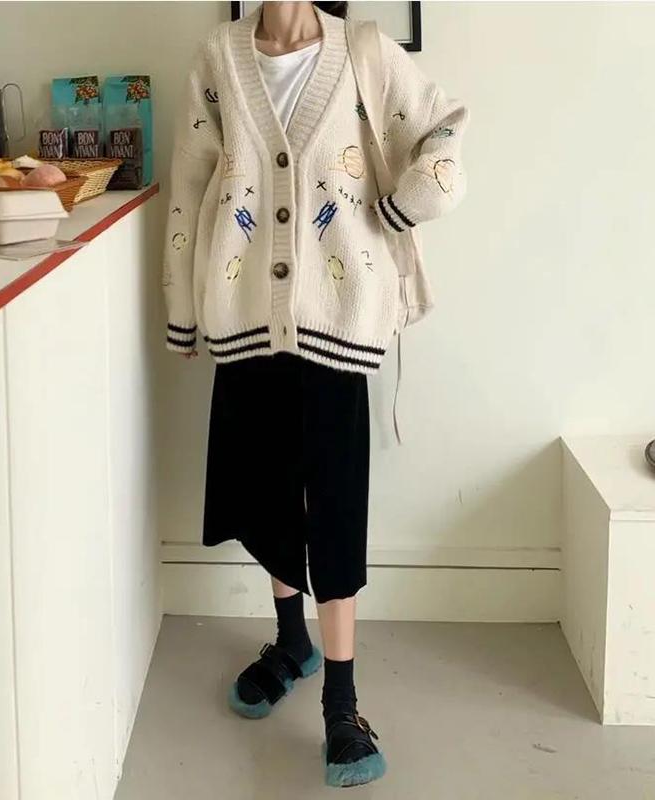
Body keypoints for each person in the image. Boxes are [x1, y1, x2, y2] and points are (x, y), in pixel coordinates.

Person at [162, 0, 468, 788]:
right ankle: (290, 641)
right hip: (245, 319)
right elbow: (188, 188)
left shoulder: (365, 50)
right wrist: (182, 312)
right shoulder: (218, 57)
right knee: (267, 495)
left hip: (337, 322)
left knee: (332, 507)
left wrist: (402, 203)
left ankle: (342, 700)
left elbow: (442, 131)